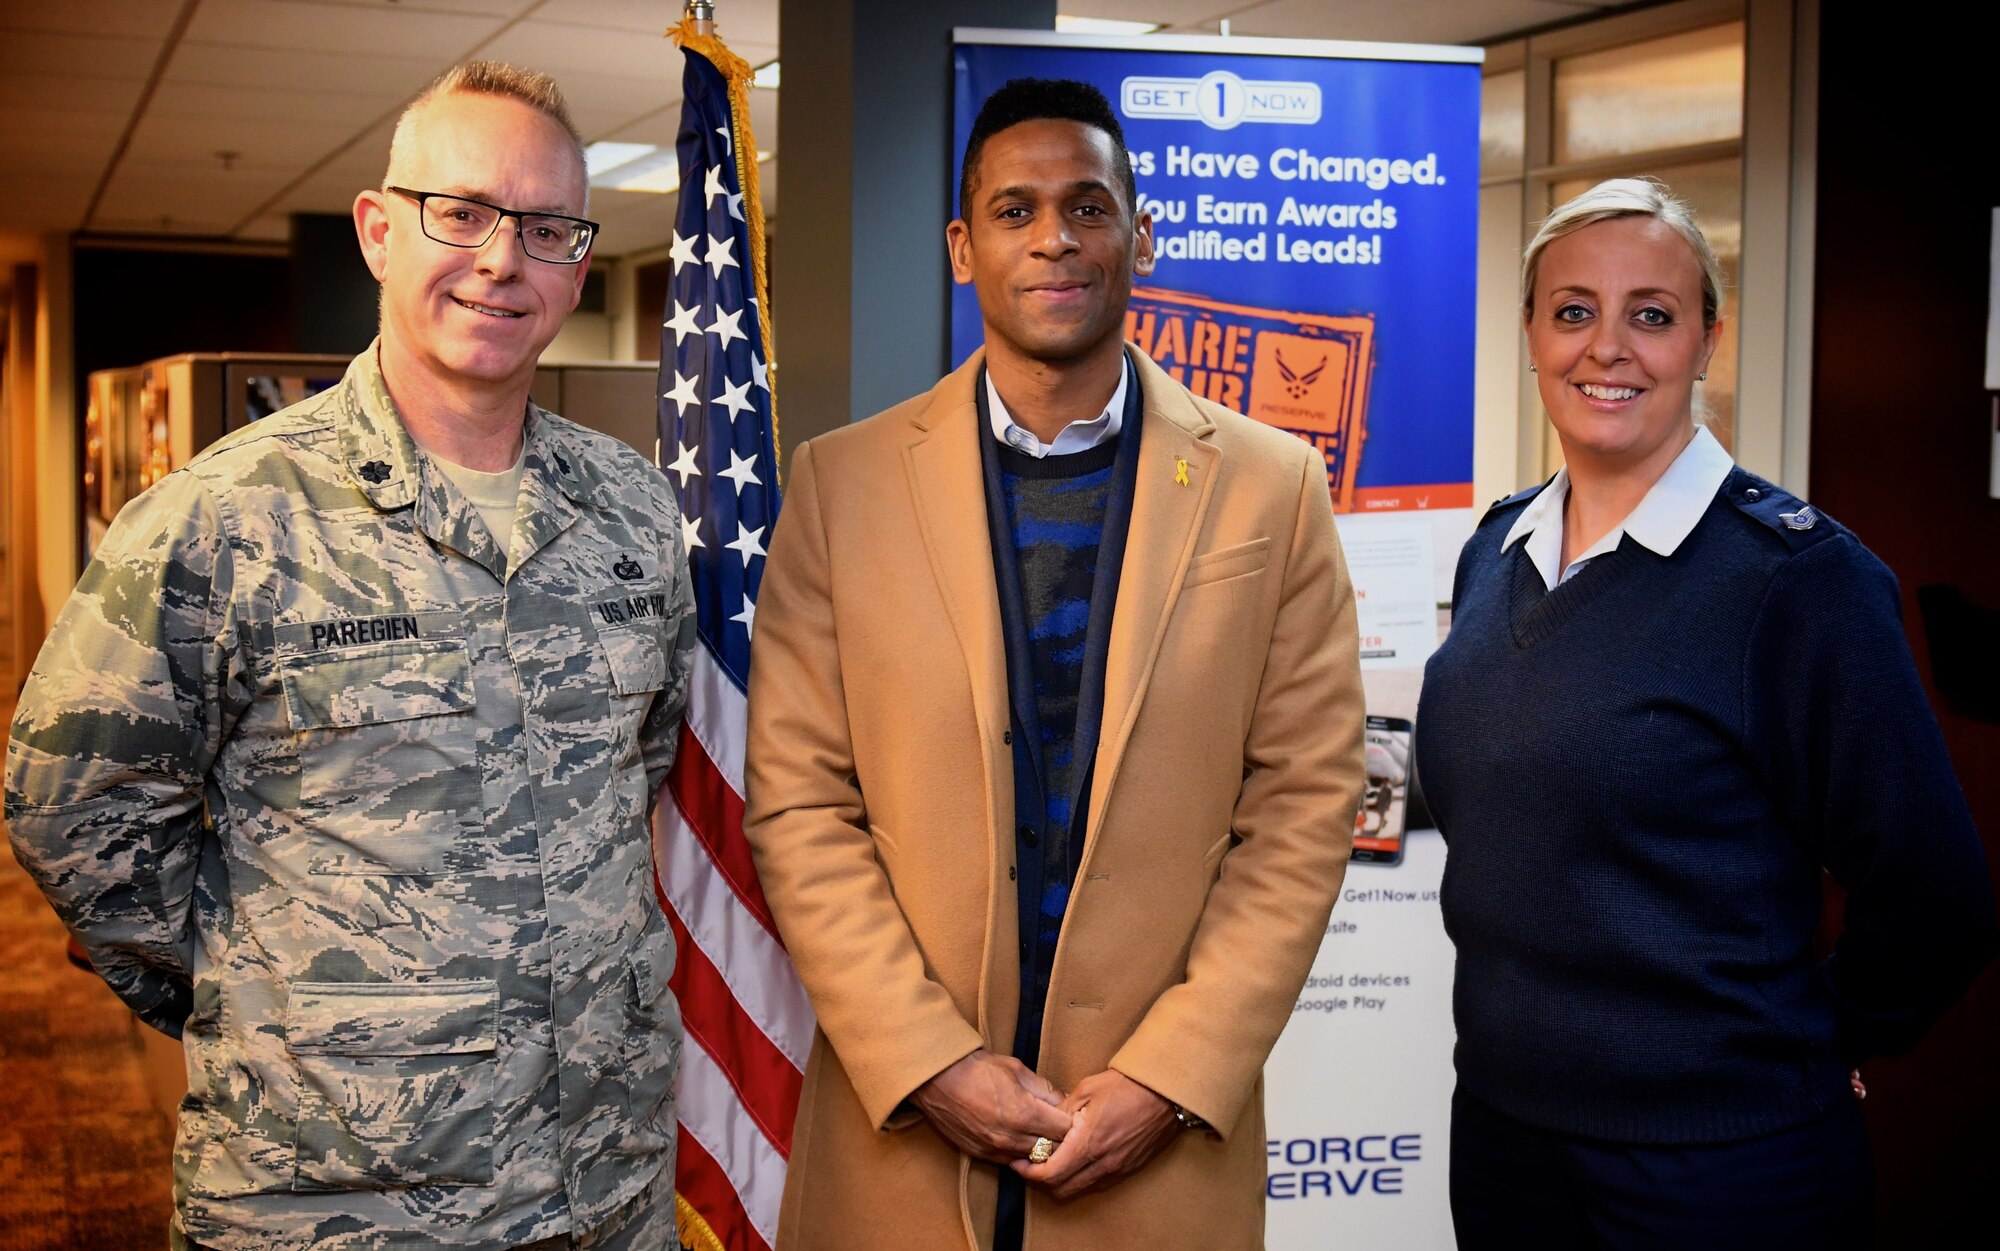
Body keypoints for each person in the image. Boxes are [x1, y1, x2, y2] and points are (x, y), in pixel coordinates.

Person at [5, 62, 694, 1251]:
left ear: (578, 263)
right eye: (462, 213)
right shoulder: (222, 518)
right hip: (335, 1197)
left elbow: (643, 767)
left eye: (544, 230)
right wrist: (265, 994)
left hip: (604, 1179)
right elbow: (73, 808)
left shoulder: (633, 511)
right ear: (380, 230)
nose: (499, 261)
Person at [742, 78, 1366, 1251]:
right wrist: (927, 1060)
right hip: (901, 1152)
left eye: (1086, 207)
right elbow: (798, 805)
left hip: (1151, 1146)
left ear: (1139, 235)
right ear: (961, 247)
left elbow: (1302, 806)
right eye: (1014, 210)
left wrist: (1174, 1074)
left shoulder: (1269, 488)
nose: (1054, 240)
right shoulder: (841, 487)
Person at [1415, 177, 1998, 1249]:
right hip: (1503, 1135)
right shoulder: (1493, 550)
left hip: (1719, 1166)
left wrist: (1812, 1050)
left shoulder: (1795, 582)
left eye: (1650, 314)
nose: (1606, 348)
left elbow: (1935, 893)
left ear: (1704, 340)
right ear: (1531, 332)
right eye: (1572, 311)